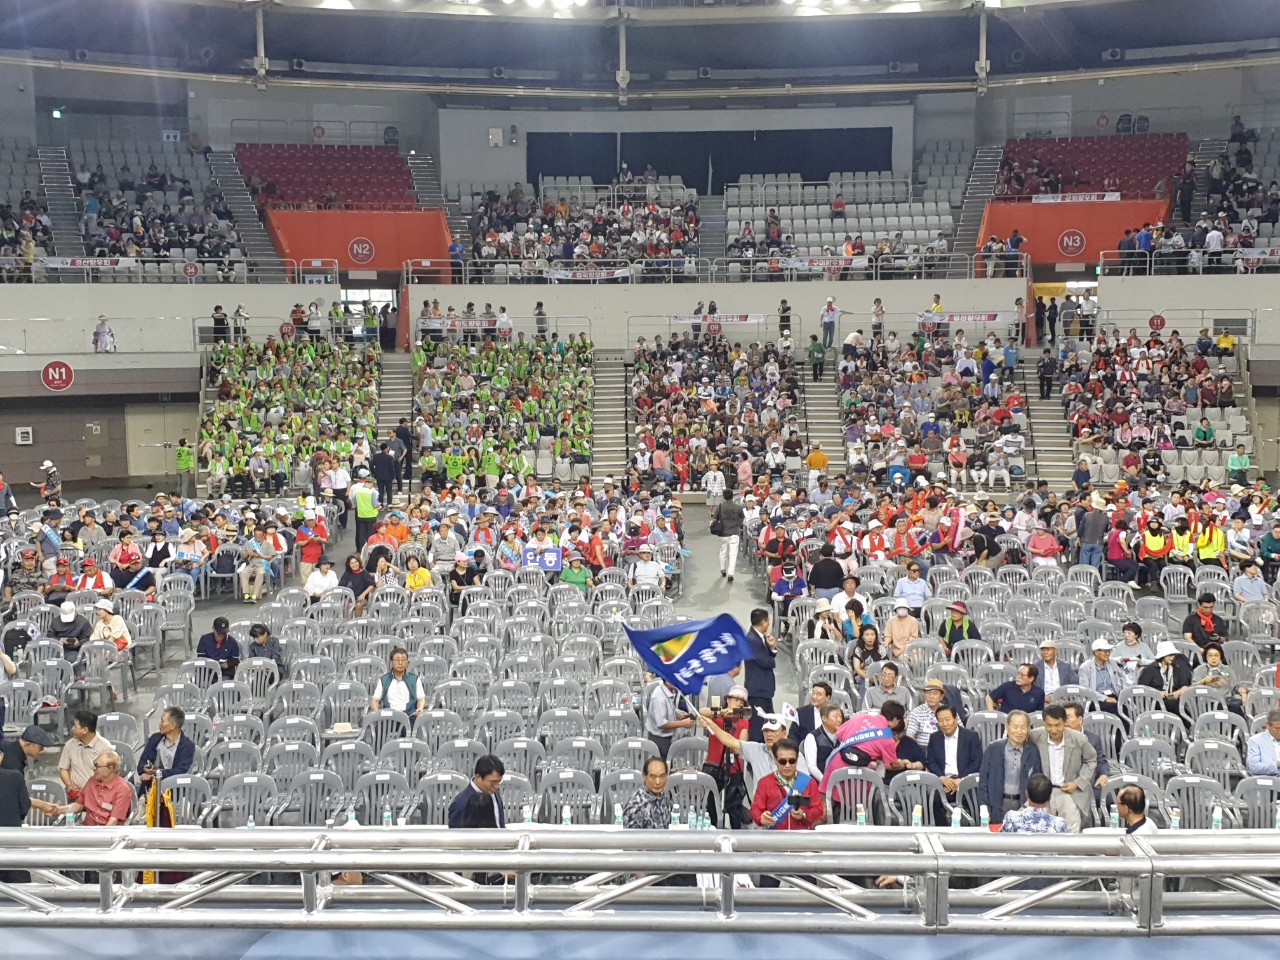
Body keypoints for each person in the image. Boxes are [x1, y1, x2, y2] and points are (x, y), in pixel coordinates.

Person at [1027, 704, 1098, 832]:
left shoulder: (1079, 739)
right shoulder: (1035, 736)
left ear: (1065, 722)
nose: (1053, 729)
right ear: (1044, 723)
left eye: (1057, 725)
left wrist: (1077, 783)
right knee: (1043, 833)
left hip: (1070, 793)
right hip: (1044, 793)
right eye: (1049, 725)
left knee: (1071, 836)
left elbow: (1091, 760)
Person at [749, 738, 825, 833]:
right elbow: (755, 809)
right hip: (774, 837)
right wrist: (761, 818)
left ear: (797, 760)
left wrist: (804, 814)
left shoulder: (809, 782)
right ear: (775, 760)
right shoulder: (765, 783)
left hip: (801, 837)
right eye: (782, 761)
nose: (787, 765)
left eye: (792, 761)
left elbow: (818, 809)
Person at [978, 710, 1042, 818]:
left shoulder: (1033, 751)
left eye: (1023, 727)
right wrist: (984, 806)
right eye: (1015, 727)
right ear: (1007, 727)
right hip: (997, 805)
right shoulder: (993, 748)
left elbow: (1037, 782)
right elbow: (983, 781)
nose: (1019, 731)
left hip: (1024, 807)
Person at [49, 750, 132, 827]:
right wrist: (58, 810)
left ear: (110, 768)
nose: (94, 768)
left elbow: (113, 822)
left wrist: (100, 836)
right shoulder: (92, 781)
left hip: (108, 832)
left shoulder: (122, 789)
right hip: (87, 828)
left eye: (97, 766)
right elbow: (79, 805)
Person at [925, 704, 982, 815]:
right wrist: (942, 778)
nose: (945, 724)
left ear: (955, 719)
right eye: (940, 720)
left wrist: (961, 780)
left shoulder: (971, 736)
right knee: (932, 801)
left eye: (947, 719)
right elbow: (931, 762)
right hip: (945, 782)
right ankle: (942, 826)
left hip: (966, 781)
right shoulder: (934, 738)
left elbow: (977, 762)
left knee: (976, 802)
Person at [136, 707, 196, 794]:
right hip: (152, 789)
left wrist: (156, 773)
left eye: (162, 721)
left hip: (175, 792)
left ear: (173, 725)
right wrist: (144, 769)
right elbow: (142, 763)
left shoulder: (187, 746)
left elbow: (180, 771)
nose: (159, 724)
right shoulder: (154, 739)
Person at [743, 608, 778, 735]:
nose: (769, 624)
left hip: (763, 691)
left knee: (769, 725)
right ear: (763, 622)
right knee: (757, 729)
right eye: (768, 621)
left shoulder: (759, 637)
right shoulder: (752, 640)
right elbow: (767, 662)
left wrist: (772, 648)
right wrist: (771, 658)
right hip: (757, 690)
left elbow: (767, 657)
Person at [447, 755, 506, 828]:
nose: (497, 786)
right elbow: (456, 833)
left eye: (499, 781)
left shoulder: (493, 792)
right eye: (493, 782)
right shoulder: (460, 804)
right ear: (478, 777)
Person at [1000, 773, 1067, 834]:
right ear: (1049, 797)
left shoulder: (1011, 818)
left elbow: (1001, 840)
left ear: (1026, 794)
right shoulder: (1059, 824)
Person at [644, 678, 694, 760]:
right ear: (667, 681)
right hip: (659, 740)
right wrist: (682, 723)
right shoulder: (659, 698)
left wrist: (678, 716)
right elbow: (662, 724)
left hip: (667, 738)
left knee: (668, 762)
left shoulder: (669, 691)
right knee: (662, 764)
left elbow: (666, 709)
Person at [1137, 640, 1193, 713]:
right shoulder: (1150, 669)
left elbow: (1185, 686)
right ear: (1163, 655)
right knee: (1174, 705)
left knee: (1177, 704)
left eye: (1174, 655)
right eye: (1170, 655)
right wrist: (1156, 693)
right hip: (1153, 701)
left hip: (1171, 699)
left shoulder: (1176, 668)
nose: (1173, 657)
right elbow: (1141, 689)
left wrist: (1178, 692)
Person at [370, 647, 426, 717]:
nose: (400, 663)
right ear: (391, 662)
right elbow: (375, 700)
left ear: (407, 662)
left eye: (403, 660)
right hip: (388, 718)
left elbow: (421, 699)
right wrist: (377, 711)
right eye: (397, 660)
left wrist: (420, 708)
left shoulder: (415, 679)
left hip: (409, 717)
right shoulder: (383, 680)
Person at [622, 756, 674, 829]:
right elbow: (629, 835)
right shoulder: (636, 807)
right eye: (653, 777)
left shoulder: (664, 795)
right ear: (644, 776)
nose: (658, 782)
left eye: (662, 776)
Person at [1077, 638, 1127, 711]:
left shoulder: (1112, 663)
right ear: (1096, 652)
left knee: (1123, 708)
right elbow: (1085, 689)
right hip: (1095, 698)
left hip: (1113, 695)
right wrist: (1105, 698)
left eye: (1109, 651)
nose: (1108, 654)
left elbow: (1122, 676)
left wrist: (1123, 690)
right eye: (1105, 651)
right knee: (1115, 709)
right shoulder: (1085, 667)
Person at [798, 703, 844, 779]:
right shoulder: (812, 737)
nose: (839, 720)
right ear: (824, 718)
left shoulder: (842, 736)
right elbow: (811, 766)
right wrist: (823, 780)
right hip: (819, 780)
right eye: (835, 717)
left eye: (840, 717)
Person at [711, 493, 744, 583]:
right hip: (734, 533)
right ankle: (731, 574)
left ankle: (723, 569)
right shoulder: (738, 507)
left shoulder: (720, 507)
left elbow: (714, 518)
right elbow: (742, 518)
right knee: (733, 554)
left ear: (723, 497)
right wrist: (737, 524)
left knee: (723, 551)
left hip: (722, 533)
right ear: (732, 496)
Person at [196, 616, 242, 680]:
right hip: (207, 672)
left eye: (223, 633)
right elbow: (200, 658)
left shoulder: (232, 642)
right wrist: (212, 665)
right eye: (219, 633)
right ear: (213, 629)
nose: (221, 635)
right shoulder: (204, 640)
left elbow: (235, 660)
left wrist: (227, 665)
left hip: (225, 673)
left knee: (225, 682)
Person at [1246, 708, 1280, 776]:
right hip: (1267, 779)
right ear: (1268, 726)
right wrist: (1277, 765)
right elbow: (1254, 767)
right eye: (1277, 728)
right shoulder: (1255, 741)